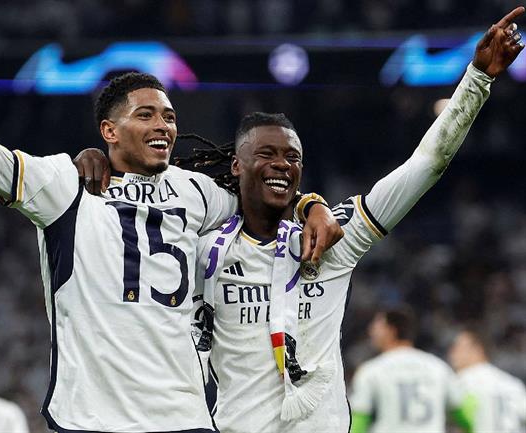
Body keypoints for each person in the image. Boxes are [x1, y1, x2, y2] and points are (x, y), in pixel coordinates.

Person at [0, 3, 341, 432]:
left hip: (182, 416)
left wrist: (310, 205)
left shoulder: (196, 191)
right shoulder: (64, 183)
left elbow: (263, 194)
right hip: (93, 416)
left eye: (169, 117)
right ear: (109, 130)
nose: (164, 126)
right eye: (146, 115)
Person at [190, 8, 525, 432]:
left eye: (293, 157)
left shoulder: (331, 239)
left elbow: (426, 165)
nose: (282, 164)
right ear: (237, 166)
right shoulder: (206, 253)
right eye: (266, 154)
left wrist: (477, 80)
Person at [349, 307, 467, 433]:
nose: (371, 331)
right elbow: (463, 414)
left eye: (376, 327)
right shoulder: (438, 367)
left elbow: (359, 420)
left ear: (391, 330)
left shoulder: (372, 370)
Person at [448, 327, 526, 433]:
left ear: (478, 349)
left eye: (457, 347)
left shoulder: (462, 381)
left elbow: (461, 421)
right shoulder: (513, 384)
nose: (452, 353)